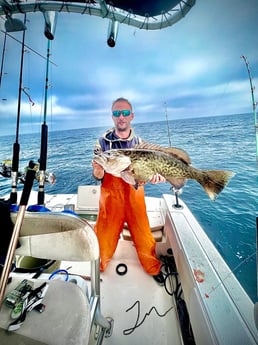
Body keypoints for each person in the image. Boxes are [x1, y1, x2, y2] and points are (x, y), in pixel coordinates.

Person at [92, 97, 166, 284]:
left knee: (144, 237)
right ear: (112, 117)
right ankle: (99, 267)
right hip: (110, 201)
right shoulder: (102, 143)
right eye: (117, 113)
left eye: (125, 113)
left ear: (132, 116)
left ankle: (152, 268)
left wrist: (156, 177)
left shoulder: (141, 144)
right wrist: (98, 172)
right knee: (103, 240)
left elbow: (146, 173)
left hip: (135, 198)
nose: (121, 117)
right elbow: (97, 175)